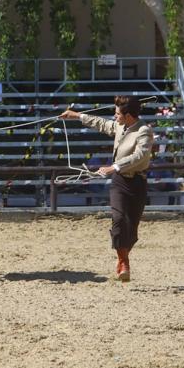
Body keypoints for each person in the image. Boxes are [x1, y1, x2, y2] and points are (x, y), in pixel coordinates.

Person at [60, 96, 154, 282]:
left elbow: (140, 156)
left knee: (131, 230)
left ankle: (123, 256)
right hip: (119, 182)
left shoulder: (144, 131)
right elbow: (102, 123)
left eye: (117, 113)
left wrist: (115, 167)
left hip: (137, 183)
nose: (114, 116)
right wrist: (77, 116)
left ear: (128, 116)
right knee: (118, 220)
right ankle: (123, 262)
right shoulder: (120, 126)